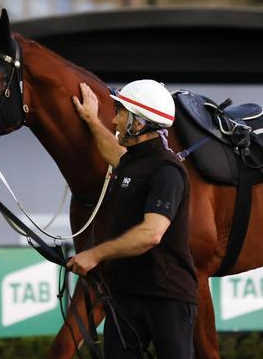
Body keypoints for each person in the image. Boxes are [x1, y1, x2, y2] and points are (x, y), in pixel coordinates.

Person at [67, 80, 199, 358]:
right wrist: (91, 119)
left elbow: (152, 233)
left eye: (121, 112)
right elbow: (113, 152)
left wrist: (95, 255)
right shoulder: (132, 161)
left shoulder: (167, 171)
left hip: (168, 296)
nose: (114, 119)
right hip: (125, 295)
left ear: (138, 124)